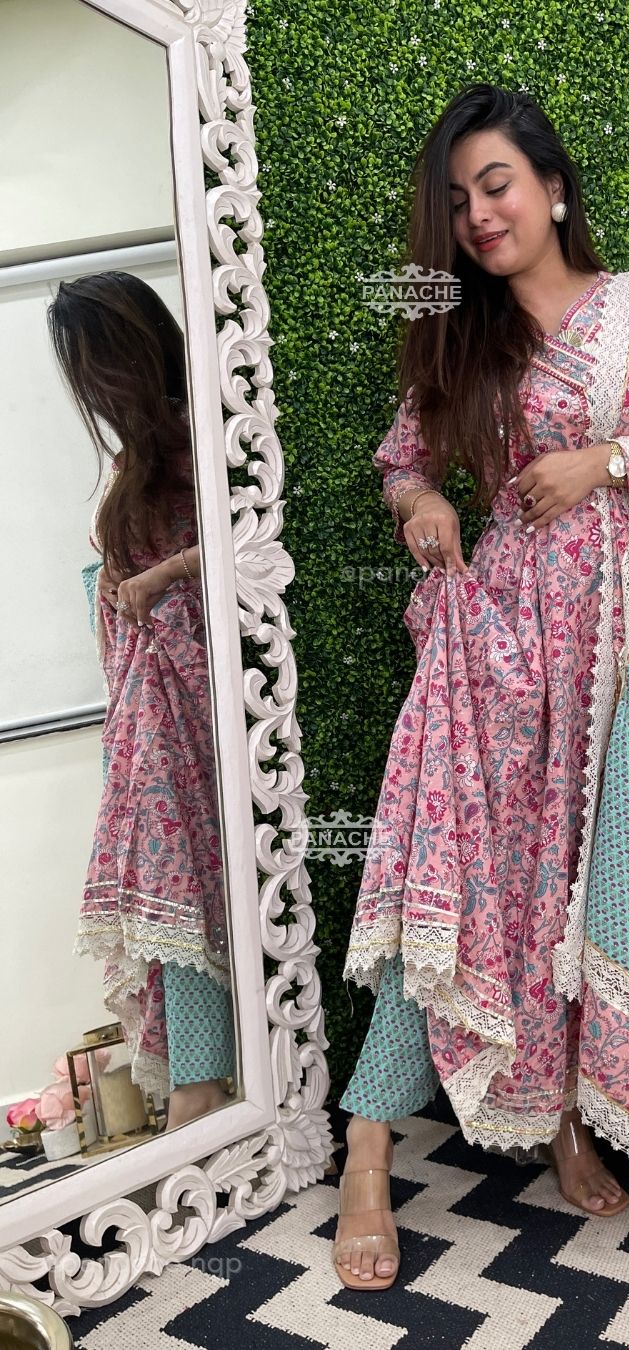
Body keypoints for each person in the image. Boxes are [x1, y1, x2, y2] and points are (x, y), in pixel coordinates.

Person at [334, 84, 629, 1290]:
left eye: (496, 185)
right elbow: (403, 463)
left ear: (551, 186)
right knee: (457, 879)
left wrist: (610, 461)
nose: (479, 215)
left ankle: (569, 1118)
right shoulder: (462, 337)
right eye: (457, 201)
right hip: (502, 647)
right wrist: (424, 504)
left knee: (582, 894)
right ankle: (367, 1155)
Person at [47, 271, 235, 1131]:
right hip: (143, 708)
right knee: (171, 895)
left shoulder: (205, 435)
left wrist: (162, 574)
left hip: (191, 705)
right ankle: (198, 1083)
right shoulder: (138, 458)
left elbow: (246, 539)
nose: (89, 390)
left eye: (93, 366)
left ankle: (202, 1086)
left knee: (182, 889)